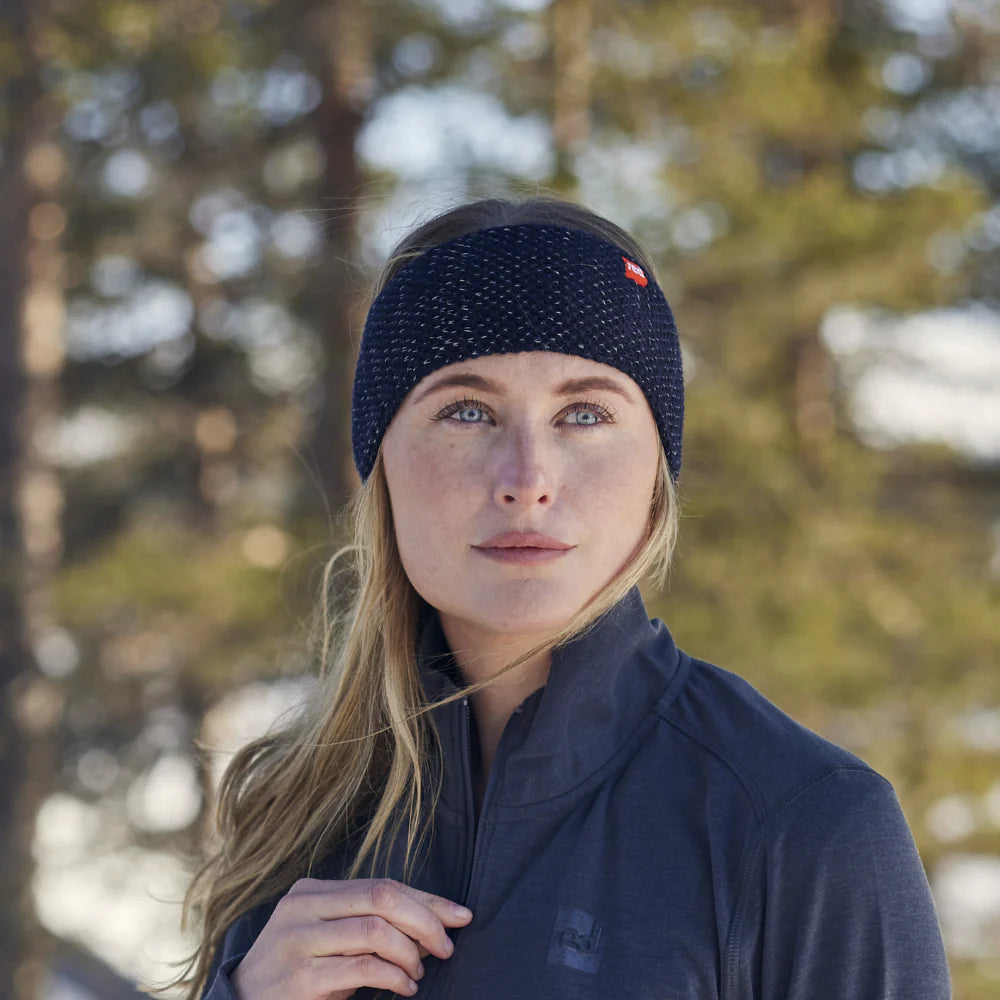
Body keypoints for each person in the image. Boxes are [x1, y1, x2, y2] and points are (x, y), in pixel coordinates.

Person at [174, 196, 953, 1000]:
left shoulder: (805, 827)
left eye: (584, 414)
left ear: (657, 468)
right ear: (382, 469)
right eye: (466, 411)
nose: (528, 481)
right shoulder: (298, 817)